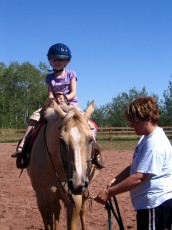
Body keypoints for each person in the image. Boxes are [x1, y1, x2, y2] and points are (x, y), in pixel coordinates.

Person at [11, 43, 104, 169]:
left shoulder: (71, 74)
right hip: (54, 105)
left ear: (67, 61)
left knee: (90, 125)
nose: (57, 62)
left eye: (61, 59)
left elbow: (73, 93)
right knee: (35, 116)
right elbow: (50, 94)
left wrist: (64, 98)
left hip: (71, 104)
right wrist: (55, 100)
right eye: (54, 59)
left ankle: (95, 151)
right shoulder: (49, 77)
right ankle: (23, 145)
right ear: (50, 60)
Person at [94, 96, 172, 229]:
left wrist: (109, 192)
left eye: (135, 121)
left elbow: (139, 177)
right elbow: (136, 166)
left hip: (154, 204)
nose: (131, 125)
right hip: (148, 204)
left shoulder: (155, 144)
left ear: (148, 119)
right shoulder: (145, 138)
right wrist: (116, 179)